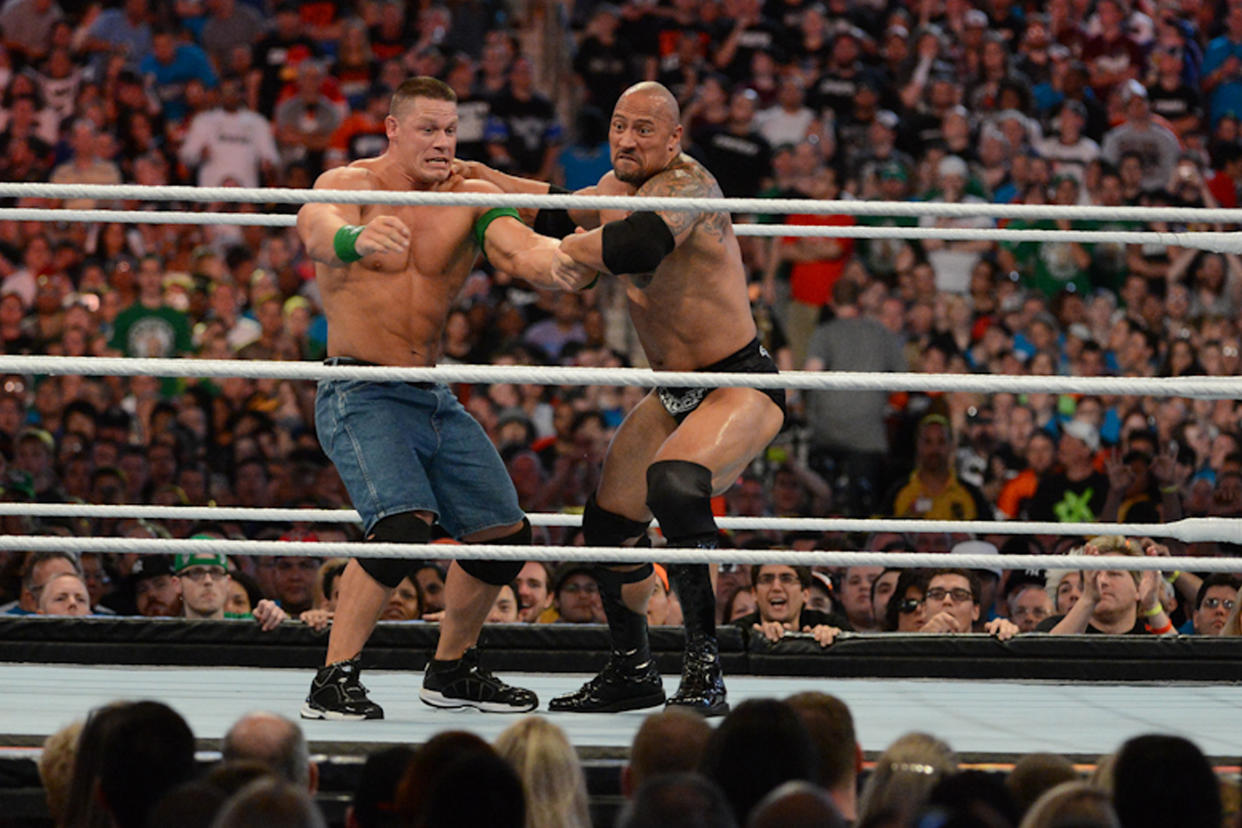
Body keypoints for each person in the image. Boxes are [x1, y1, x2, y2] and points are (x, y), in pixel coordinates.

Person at [464, 80, 786, 716]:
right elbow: (556, 207)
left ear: (674, 139)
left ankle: (704, 668)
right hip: (674, 390)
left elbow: (636, 245)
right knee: (610, 522)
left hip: (738, 380)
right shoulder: (612, 191)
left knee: (673, 484)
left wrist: (574, 249)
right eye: (619, 126)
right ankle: (633, 669)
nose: (628, 139)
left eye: (645, 129)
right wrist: (478, 178)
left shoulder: (689, 186)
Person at [296, 76, 592, 720]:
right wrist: (356, 240)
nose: (441, 142)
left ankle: (452, 670)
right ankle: (333, 680)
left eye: (450, 130)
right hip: (359, 386)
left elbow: (522, 246)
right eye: (427, 128)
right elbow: (315, 228)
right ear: (392, 129)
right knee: (402, 524)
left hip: (430, 390)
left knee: (503, 533)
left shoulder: (472, 195)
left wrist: (564, 264)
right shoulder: (347, 186)